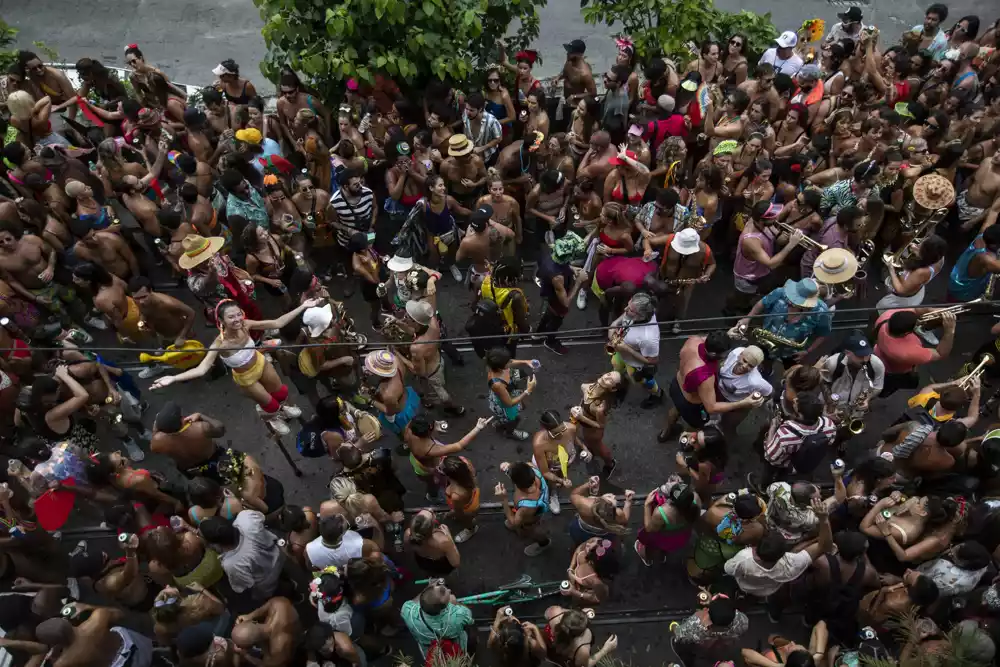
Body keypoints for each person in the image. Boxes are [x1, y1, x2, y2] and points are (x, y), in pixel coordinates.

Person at [151, 298, 319, 434]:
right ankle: (272, 417)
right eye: (231, 317)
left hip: (260, 362)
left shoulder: (246, 324)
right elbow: (201, 369)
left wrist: (303, 305)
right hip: (246, 378)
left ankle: (283, 407)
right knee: (272, 406)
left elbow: (278, 323)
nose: (238, 319)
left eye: (239, 314)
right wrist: (173, 378)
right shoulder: (220, 344)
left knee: (282, 393)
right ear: (221, 321)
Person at [724, 497, 832, 601]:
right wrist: (824, 520)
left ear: (755, 547)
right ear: (784, 554)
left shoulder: (743, 558)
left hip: (746, 587)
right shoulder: (791, 565)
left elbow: (728, 569)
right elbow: (824, 547)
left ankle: (744, 596)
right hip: (770, 590)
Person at [660, 332, 762, 441]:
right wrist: (743, 403)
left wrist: (725, 336)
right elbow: (711, 407)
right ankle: (687, 445)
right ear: (714, 355)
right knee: (695, 430)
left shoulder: (693, 340)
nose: (727, 355)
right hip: (690, 404)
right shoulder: (705, 376)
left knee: (675, 409)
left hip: (676, 385)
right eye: (725, 353)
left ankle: (664, 433)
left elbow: (708, 340)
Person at [395, 300, 465, 416]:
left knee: (441, 395)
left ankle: (452, 407)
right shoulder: (432, 322)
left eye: (409, 316)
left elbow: (418, 371)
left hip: (431, 374)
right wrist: (399, 323)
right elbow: (415, 331)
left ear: (417, 323)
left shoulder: (417, 348)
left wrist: (398, 354)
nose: (405, 316)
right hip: (438, 360)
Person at [199, 510, 284, 601]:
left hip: (267, 581)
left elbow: (245, 586)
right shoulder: (245, 518)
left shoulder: (232, 564)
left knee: (279, 592)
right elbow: (263, 518)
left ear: (214, 544)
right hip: (278, 554)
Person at [404, 414, 489, 501]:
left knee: (433, 481)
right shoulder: (429, 449)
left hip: (415, 459)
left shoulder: (409, 428)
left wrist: (435, 426)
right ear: (429, 431)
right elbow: (458, 445)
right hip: (428, 469)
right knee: (434, 483)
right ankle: (432, 496)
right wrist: (478, 428)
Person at [873, 309, 956, 397]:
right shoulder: (906, 352)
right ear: (906, 333)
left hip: (878, 354)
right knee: (895, 387)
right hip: (894, 374)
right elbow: (940, 354)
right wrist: (950, 331)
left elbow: (916, 310)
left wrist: (942, 311)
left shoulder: (886, 315)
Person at [34, 607, 153, 667]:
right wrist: (87, 607)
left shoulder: (64, 662)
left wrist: (55, 653)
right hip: (141, 647)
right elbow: (119, 614)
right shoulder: (98, 617)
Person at [762, 392, 837, 481]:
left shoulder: (785, 435)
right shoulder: (829, 425)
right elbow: (830, 442)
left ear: (801, 415)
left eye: (794, 407)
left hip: (789, 465)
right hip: (811, 461)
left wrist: (773, 427)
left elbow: (771, 456)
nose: (792, 406)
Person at [820, 331, 884, 428]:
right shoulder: (833, 362)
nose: (865, 360)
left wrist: (867, 399)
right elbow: (823, 381)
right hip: (832, 407)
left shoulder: (877, 364)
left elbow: (878, 387)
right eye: (860, 356)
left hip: (855, 410)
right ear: (847, 353)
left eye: (867, 354)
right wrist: (830, 403)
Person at [635, 477, 701, 567]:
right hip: (681, 537)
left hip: (663, 539)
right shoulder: (696, 499)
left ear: (671, 500)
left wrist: (647, 505)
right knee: (666, 547)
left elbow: (649, 529)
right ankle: (662, 555)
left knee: (652, 544)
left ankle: (648, 557)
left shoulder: (662, 513)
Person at [571, 371, 625, 478]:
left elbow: (601, 425)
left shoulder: (600, 407)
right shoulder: (591, 387)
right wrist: (579, 409)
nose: (606, 378)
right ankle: (590, 448)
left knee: (598, 447)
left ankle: (610, 463)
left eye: (611, 380)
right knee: (587, 440)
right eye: (609, 374)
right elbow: (584, 391)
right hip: (586, 425)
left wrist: (581, 417)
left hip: (594, 431)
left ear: (613, 389)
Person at [670, 595, 750, 666]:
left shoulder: (695, 626)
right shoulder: (742, 621)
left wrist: (675, 629)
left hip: (701, 653)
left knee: (680, 645)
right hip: (723, 649)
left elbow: (680, 635)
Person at [497, 461, 552, 556]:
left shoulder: (526, 505)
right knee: (520, 526)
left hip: (530, 520)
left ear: (517, 484)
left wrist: (504, 499)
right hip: (528, 511)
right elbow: (523, 467)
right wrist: (509, 467)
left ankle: (544, 544)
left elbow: (514, 521)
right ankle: (520, 530)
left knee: (532, 531)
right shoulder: (531, 468)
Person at [532, 410, 578, 515]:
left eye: (563, 430)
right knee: (549, 480)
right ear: (546, 430)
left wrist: (583, 449)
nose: (561, 435)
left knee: (561, 475)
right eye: (556, 433)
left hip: (563, 461)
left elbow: (574, 440)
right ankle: (552, 495)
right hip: (546, 464)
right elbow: (545, 472)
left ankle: (555, 489)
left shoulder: (571, 428)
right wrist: (561, 481)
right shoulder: (539, 444)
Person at [231, 597, 300, 667]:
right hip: (292, 618)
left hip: (297, 640)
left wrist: (246, 655)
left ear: (255, 645)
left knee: (267, 659)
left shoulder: (278, 649)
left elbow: (270, 665)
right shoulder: (278, 605)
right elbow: (271, 603)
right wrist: (250, 616)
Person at [304, 513, 381, 572]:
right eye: (347, 525)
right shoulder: (361, 545)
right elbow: (379, 549)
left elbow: (311, 567)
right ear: (340, 536)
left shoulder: (309, 550)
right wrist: (376, 525)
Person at [404, 508, 462, 577]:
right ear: (432, 526)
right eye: (431, 514)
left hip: (422, 561)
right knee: (441, 573)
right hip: (441, 564)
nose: (430, 509)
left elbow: (407, 549)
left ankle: (430, 575)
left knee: (428, 570)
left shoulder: (407, 534)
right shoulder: (443, 541)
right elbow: (456, 563)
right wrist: (449, 537)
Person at [948, 225, 1000, 301]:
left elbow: (993, 213)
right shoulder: (985, 259)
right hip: (962, 292)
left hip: (955, 281)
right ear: (994, 245)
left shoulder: (983, 237)